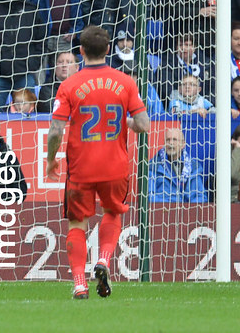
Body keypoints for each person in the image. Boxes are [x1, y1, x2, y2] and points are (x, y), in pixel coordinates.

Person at [46, 25, 150, 299]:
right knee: (113, 212)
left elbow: (56, 130)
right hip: (116, 167)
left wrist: (50, 161)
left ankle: (80, 284)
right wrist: (123, 123)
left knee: (77, 222)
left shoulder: (69, 85)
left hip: (81, 167)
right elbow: (143, 124)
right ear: (107, 50)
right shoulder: (126, 82)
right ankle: (103, 259)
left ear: (80, 52)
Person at [148, 127, 208, 203]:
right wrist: (174, 205)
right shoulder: (153, 166)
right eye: (168, 140)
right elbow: (149, 196)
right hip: (162, 211)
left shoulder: (194, 167)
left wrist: (187, 209)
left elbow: (201, 196)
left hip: (187, 212)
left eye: (174, 140)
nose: (171, 143)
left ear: (183, 144)